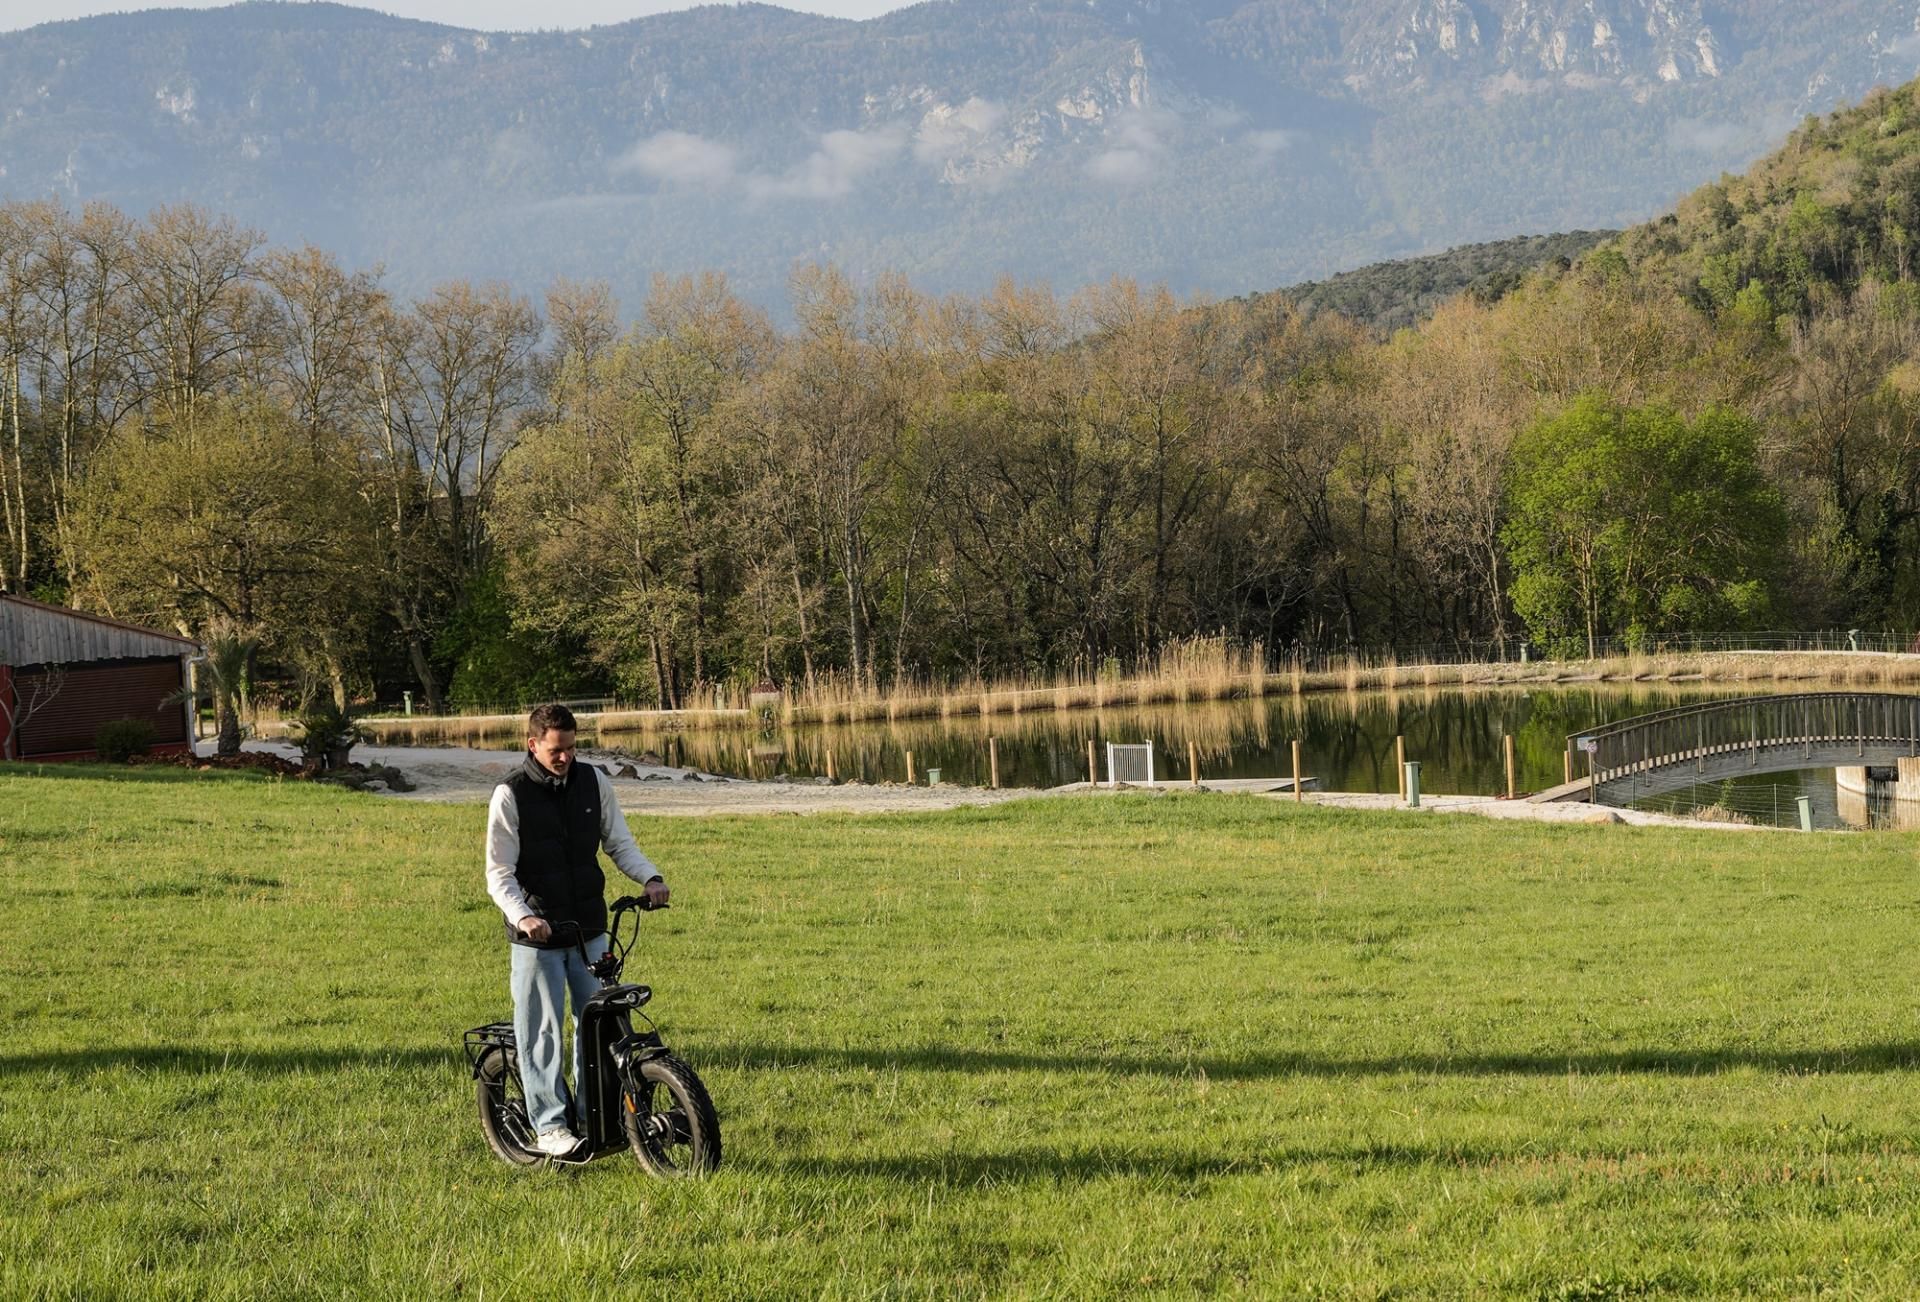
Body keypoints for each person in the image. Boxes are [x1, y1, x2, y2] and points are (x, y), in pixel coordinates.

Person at [485, 702, 669, 1160]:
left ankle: (596, 1118)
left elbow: (618, 842)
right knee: (542, 1032)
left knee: (600, 1028)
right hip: (539, 934)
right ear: (533, 745)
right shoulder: (510, 794)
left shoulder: (593, 781)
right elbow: (499, 873)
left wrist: (650, 878)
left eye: (571, 747)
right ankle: (549, 1126)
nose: (565, 757)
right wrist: (524, 916)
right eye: (556, 750)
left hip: (589, 928)